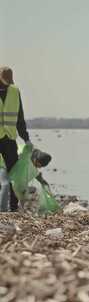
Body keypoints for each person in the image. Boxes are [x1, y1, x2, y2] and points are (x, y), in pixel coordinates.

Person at [0, 66, 32, 212]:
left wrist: (26, 138)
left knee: (13, 176)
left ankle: (13, 209)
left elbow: (20, 118)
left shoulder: (14, 91)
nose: (7, 83)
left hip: (9, 139)